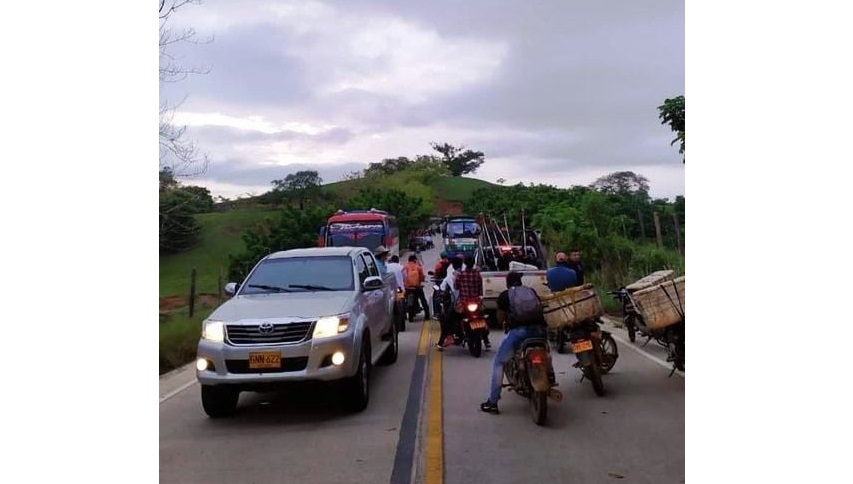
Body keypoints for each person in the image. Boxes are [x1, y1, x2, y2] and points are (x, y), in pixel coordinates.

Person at [480, 271, 551, 414]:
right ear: (520, 281)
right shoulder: (531, 291)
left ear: (507, 282)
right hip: (539, 331)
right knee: (545, 352)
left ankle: (493, 402)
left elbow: (500, 319)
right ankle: (550, 375)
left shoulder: (505, 295)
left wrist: (505, 321)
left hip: (519, 333)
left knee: (499, 362)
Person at [455, 255, 490, 350]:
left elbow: (456, 286)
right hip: (476, 301)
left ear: (465, 264)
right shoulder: (477, 274)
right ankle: (486, 340)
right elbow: (480, 289)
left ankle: (458, 335)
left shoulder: (461, 274)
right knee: (482, 316)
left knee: (456, 317)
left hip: (464, 302)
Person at [436, 256, 464, 349]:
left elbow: (443, 288)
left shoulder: (452, 275)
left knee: (446, 320)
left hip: (458, 303)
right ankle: (486, 340)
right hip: (473, 301)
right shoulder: (470, 273)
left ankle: (446, 339)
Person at [403, 255, 430, 320]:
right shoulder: (418, 267)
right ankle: (427, 314)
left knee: (407, 301)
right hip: (417, 287)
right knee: (423, 300)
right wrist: (420, 282)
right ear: (414, 260)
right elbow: (421, 277)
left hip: (408, 288)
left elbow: (403, 277)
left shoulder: (405, 267)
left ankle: (410, 315)